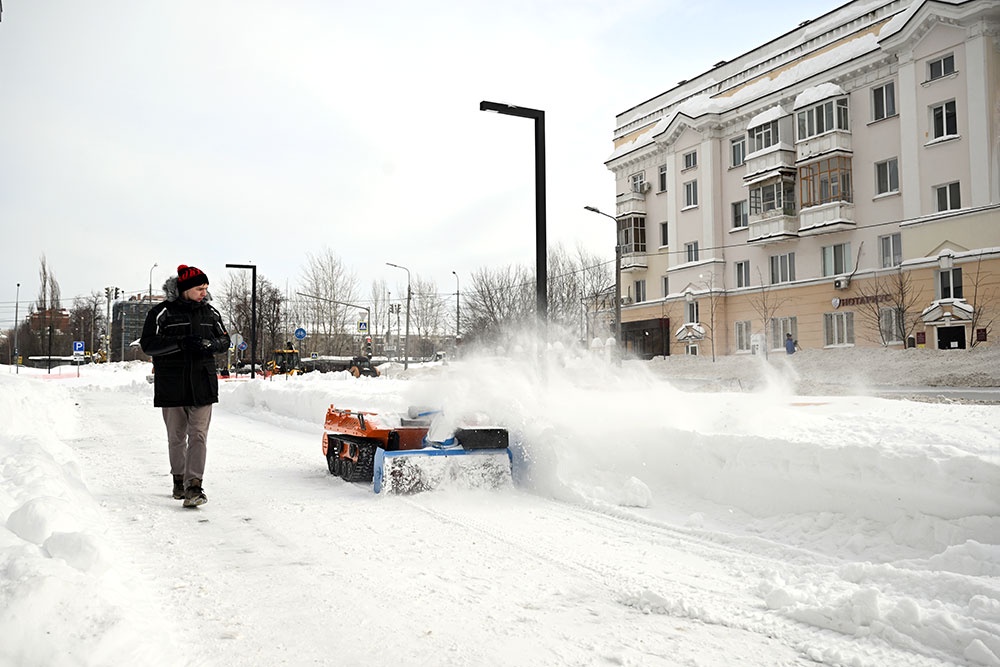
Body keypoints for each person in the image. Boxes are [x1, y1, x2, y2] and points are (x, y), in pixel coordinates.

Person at [140, 265, 230, 508]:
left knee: (199, 435)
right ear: (185, 289)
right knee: (176, 437)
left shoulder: (211, 313)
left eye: (206, 288)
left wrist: (210, 345)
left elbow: (225, 340)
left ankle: (194, 486)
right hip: (172, 384)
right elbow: (148, 345)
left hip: (202, 383)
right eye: (200, 288)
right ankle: (179, 479)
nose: (204, 292)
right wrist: (181, 343)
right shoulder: (161, 313)